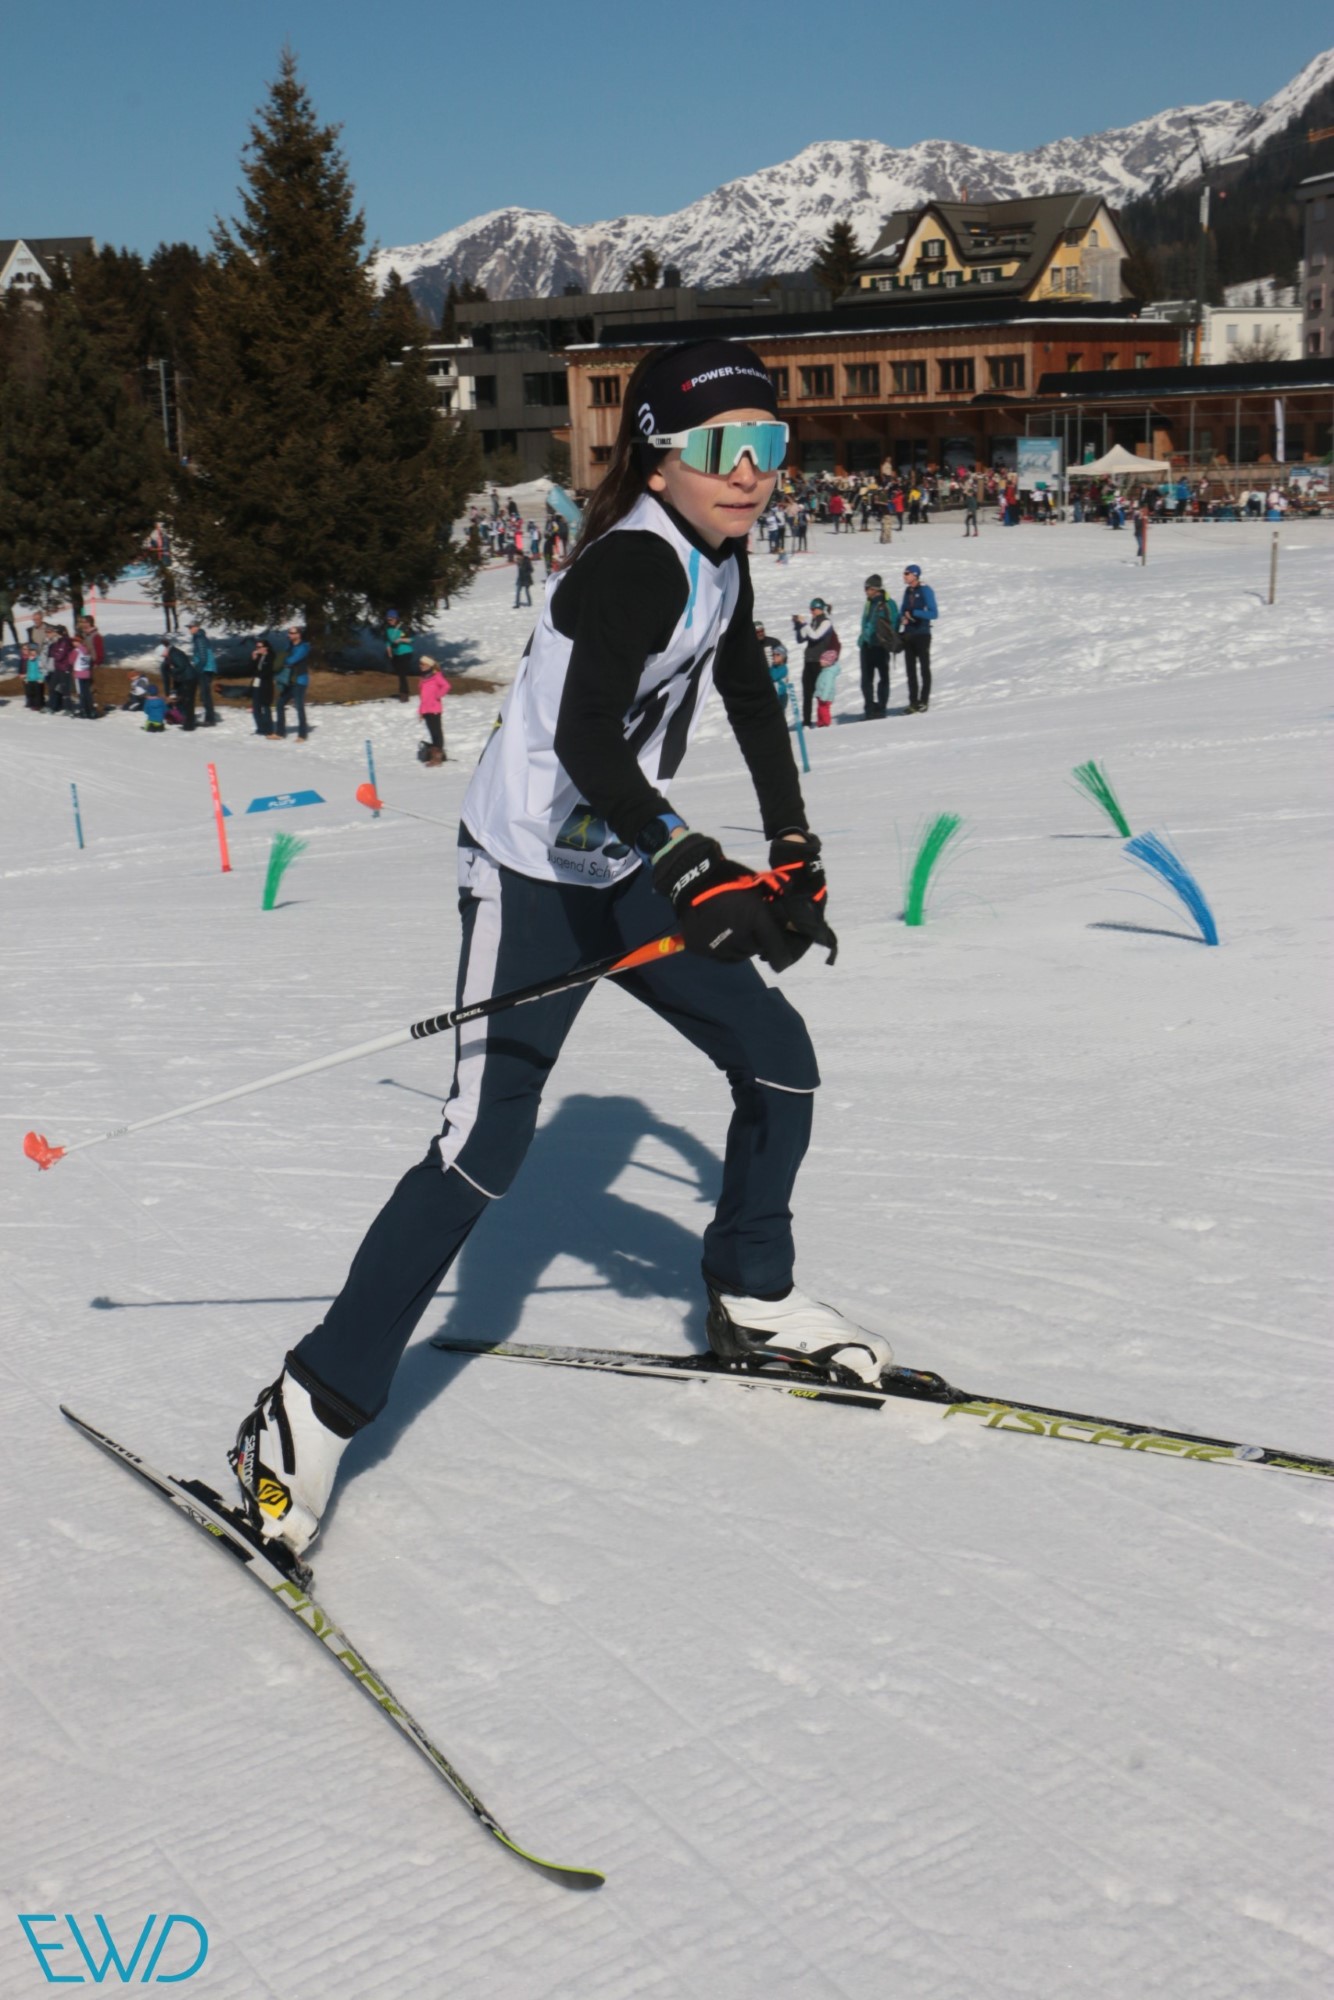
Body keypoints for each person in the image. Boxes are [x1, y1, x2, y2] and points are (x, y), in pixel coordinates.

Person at [227, 335, 892, 1559]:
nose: (750, 470)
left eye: (768, 442)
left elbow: (749, 694)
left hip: (621, 860)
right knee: (482, 1144)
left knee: (777, 1057)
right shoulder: (633, 563)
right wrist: (688, 858)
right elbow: (587, 737)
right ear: (657, 455)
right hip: (532, 871)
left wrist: (791, 844)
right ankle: (306, 1409)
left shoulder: (718, 555)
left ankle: (750, 1293)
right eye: (721, 446)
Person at [792, 598, 838, 730]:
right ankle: (806, 722)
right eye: (810, 609)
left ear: (820, 609)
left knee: (821, 694)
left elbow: (815, 636)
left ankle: (822, 722)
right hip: (809, 661)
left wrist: (804, 623)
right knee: (807, 694)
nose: (811, 612)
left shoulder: (826, 622)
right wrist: (798, 626)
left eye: (813, 609)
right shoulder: (813, 622)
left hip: (819, 662)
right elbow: (801, 639)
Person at [899, 563, 938, 714]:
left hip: (922, 634)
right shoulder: (908, 591)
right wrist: (903, 618)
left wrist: (915, 613)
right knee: (910, 670)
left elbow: (934, 613)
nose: (904, 576)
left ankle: (924, 701)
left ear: (915, 575)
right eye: (904, 573)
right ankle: (913, 702)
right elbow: (903, 609)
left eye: (907, 573)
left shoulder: (925, 590)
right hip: (909, 634)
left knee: (924, 668)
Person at [857, 574, 898, 719]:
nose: (865, 591)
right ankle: (869, 709)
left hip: (881, 646)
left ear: (875, 589)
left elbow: (895, 623)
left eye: (867, 588)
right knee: (866, 681)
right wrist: (862, 639)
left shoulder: (888, 603)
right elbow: (866, 622)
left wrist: (888, 641)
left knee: (883, 678)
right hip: (867, 645)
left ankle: (881, 708)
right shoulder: (869, 603)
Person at [277, 625, 311, 740]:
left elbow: (292, 660)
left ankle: (302, 735)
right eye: (289, 633)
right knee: (280, 704)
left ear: (298, 634)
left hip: (300, 680)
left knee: (299, 707)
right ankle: (280, 733)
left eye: (292, 633)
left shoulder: (304, 647)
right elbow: (282, 656)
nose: (289, 635)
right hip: (289, 680)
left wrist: (282, 660)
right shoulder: (289, 645)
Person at [417, 654, 450, 764]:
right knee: (432, 732)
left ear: (429, 665)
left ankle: (438, 756)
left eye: (423, 664)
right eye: (420, 664)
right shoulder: (423, 678)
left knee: (437, 732)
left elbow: (446, 686)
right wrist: (421, 712)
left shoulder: (437, 676)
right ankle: (434, 754)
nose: (420, 666)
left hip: (435, 709)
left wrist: (437, 695)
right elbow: (422, 697)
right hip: (426, 710)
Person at [188, 620, 218, 726]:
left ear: (197, 627)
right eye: (189, 627)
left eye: (191, 627)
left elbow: (203, 657)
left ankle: (210, 719)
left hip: (205, 669)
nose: (189, 629)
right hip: (206, 668)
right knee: (205, 694)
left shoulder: (199, 638)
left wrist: (197, 669)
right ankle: (209, 718)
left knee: (205, 695)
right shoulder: (199, 637)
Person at [167, 636, 199, 728]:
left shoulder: (174, 654)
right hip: (188, 677)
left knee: (188, 701)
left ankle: (188, 724)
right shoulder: (175, 653)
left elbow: (182, 666)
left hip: (188, 678)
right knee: (187, 700)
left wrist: (172, 670)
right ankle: (187, 721)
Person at [385, 610, 415, 701]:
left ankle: (404, 693)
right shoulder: (388, 629)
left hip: (405, 652)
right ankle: (403, 691)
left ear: (396, 618)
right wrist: (389, 653)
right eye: (388, 620)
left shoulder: (403, 627)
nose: (390, 621)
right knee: (399, 672)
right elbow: (388, 642)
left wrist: (401, 640)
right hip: (396, 653)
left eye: (391, 619)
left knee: (402, 673)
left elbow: (411, 639)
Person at [250, 637, 276, 737]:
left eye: (260, 647)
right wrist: (253, 659)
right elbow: (251, 670)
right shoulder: (259, 657)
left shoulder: (270, 656)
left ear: (266, 647)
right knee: (256, 707)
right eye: (257, 647)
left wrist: (258, 673)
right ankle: (261, 728)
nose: (258, 649)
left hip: (266, 685)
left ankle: (269, 729)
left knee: (266, 706)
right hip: (257, 683)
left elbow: (267, 671)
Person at [23, 641, 45, 710]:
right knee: (31, 692)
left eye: (34, 651)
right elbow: (28, 669)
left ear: (36, 651)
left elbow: (41, 669)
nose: (32, 652)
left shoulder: (39, 659)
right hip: (30, 679)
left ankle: (38, 705)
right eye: (31, 651)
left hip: (37, 679)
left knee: (37, 693)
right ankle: (32, 703)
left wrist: (41, 678)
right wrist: (27, 677)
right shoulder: (29, 660)